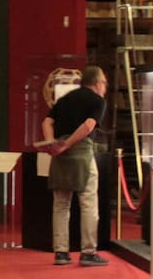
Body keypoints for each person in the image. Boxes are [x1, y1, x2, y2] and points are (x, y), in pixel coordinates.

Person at [37, 66, 108, 266]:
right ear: (97, 83)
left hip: (60, 154)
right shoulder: (98, 101)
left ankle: (60, 252)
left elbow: (47, 122)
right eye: (104, 83)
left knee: (60, 205)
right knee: (88, 204)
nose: (105, 88)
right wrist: (68, 144)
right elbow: (88, 126)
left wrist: (53, 144)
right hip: (81, 153)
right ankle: (88, 252)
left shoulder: (65, 99)